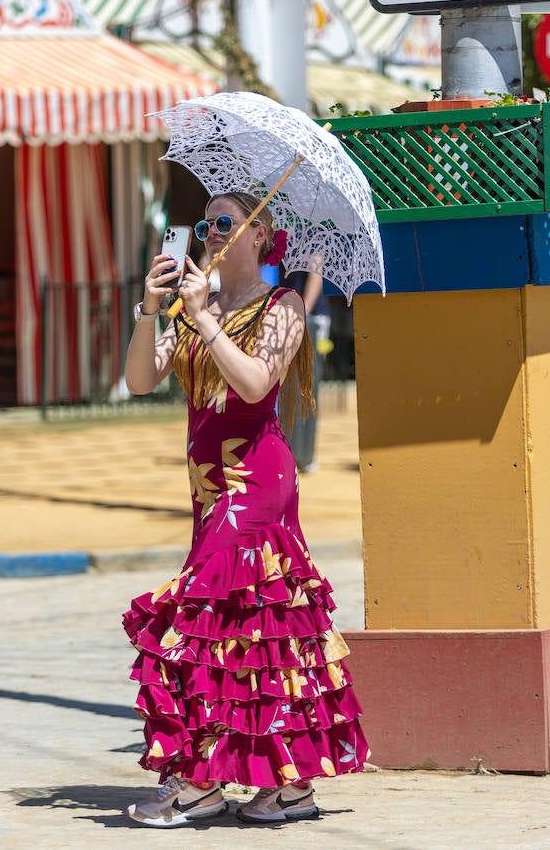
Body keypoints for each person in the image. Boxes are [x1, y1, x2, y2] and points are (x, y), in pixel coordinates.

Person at [121, 192, 368, 828]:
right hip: (209, 487)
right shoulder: (188, 303)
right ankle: (287, 784)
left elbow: (258, 385)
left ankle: (199, 782)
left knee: (199, 615)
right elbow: (139, 380)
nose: (209, 232)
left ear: (262, 238)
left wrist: (203, 320)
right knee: (257, 620)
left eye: (226, 223)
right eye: (205, 223)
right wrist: (153, 308)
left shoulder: (280, 305)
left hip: (253, 483)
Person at [281, 266, 328, 473]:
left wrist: (304, 310)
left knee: (307, 385)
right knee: (291, 386)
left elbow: (316, 271)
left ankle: (304, 455)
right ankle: (295, 453)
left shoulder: (309, 232)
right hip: (292, 314)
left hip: (309, 317)